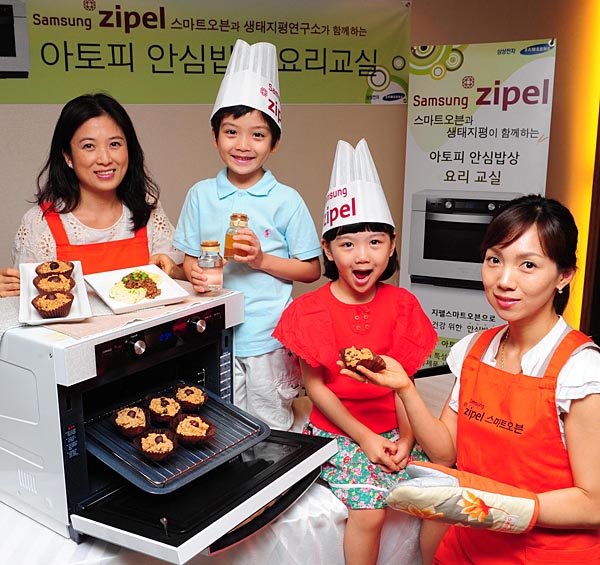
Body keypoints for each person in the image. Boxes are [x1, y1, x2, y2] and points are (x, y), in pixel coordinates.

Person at [348, 194, 600, 564]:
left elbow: (593, 503)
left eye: (528, 265)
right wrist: (405, 388)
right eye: (494, 260)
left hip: (547, 554)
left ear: (564, 276)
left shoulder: (581, 371)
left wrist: (497, 507)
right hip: (469, 546)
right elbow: (445, 452)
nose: (504, 281)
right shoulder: (474, 349)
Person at [273, 138, 438, 565]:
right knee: (369, 511)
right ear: (328, 249)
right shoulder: (309, 310)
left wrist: (407, 438)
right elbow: (316, 389)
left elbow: (404, 384)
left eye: (374, 242)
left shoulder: (403, 305)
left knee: (443, 496)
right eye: (347, 244)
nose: (362, 256)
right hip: (339, 432)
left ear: (392, 244)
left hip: (395, 427)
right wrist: (365, 438)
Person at [173, 39, 321, 431]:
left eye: (257, 135)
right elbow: (187, 259)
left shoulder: (286, 200)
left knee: (270, 423)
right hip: (211, 334)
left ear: (274, 143)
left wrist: (261, 260)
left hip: (268, 339)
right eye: (231, 132)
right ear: (214, 136)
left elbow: (312, 270)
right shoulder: (201, 195)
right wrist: (194, 271)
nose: (243, 145)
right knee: (219, 422)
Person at [0, 92, 183, 297]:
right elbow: (28, 299)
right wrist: (10, 290)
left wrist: (174, 271)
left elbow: (176, 277)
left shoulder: (147, 208)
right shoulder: (40, 224)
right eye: (89, 146)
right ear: (68, 156)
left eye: (114, 144)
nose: (105, 159)